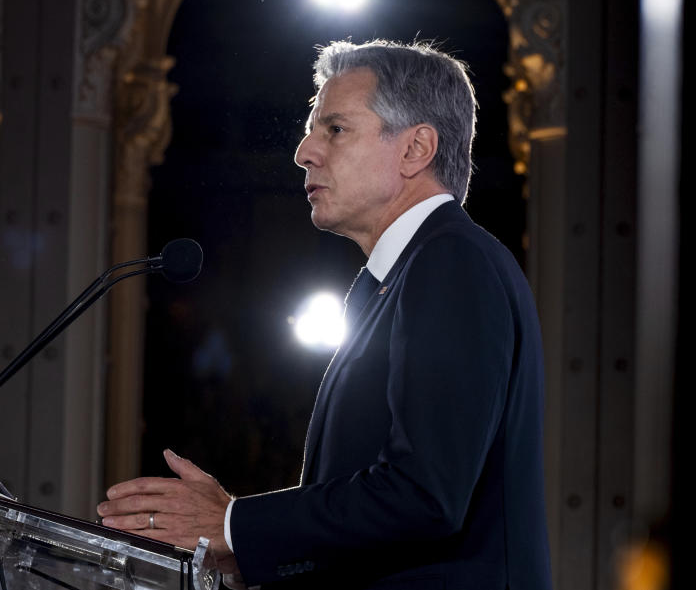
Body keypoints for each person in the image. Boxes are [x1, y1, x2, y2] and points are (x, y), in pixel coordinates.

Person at [97, 39, 552, 589]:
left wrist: (235, 524)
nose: (303, 151)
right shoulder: (402, 278)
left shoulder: (450, 262)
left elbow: (426, 495)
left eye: (335, 129)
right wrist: (249, 555)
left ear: (415, 149)